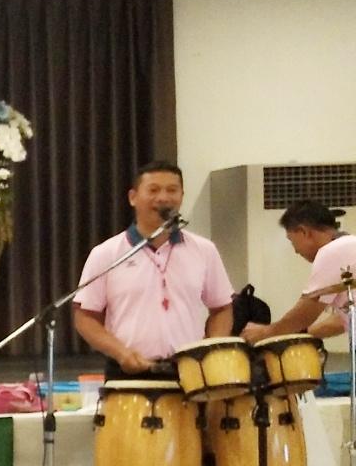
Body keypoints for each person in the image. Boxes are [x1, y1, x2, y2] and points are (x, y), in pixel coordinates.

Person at [73, 160, 235, 376]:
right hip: (128, 372)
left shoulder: (204, 250)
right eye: (153, 190)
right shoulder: (107, 253)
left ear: (182, 196)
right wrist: (121, 353)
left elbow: (222, 308)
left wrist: (210, 351)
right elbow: (85, 317)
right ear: (133, 197)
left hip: (189, 372)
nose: (163, 198)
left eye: (172, 190)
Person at [240, 201, 353, 344]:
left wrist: (265, 333)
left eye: (291, 240)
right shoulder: (347, 247)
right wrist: (298, 334)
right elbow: (342, 320)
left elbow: (305, 314)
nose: (295, 250)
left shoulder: (333, 251)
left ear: (304, 232)